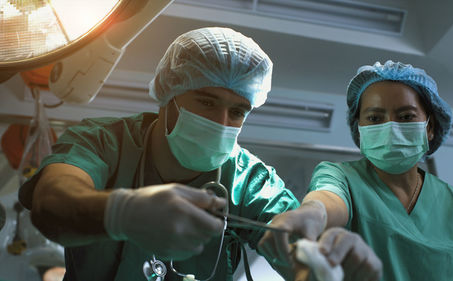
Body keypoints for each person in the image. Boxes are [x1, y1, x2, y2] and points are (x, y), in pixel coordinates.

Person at [18, 27, 299, 281]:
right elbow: (51, 202)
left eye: (237, 111)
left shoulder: (249, 183)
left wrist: (320, 256)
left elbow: (298, 244)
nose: (221, 122)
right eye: (206, 102)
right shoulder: (103, 142)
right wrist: (121, 213)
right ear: (168, 94)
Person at [258, 60, 453, 281]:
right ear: (359, 128)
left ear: (429, 127)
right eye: (374, 118)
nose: (391, 127)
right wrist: (313, 211)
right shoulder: (341, 177)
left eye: (406, 116)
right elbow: (328, 197)